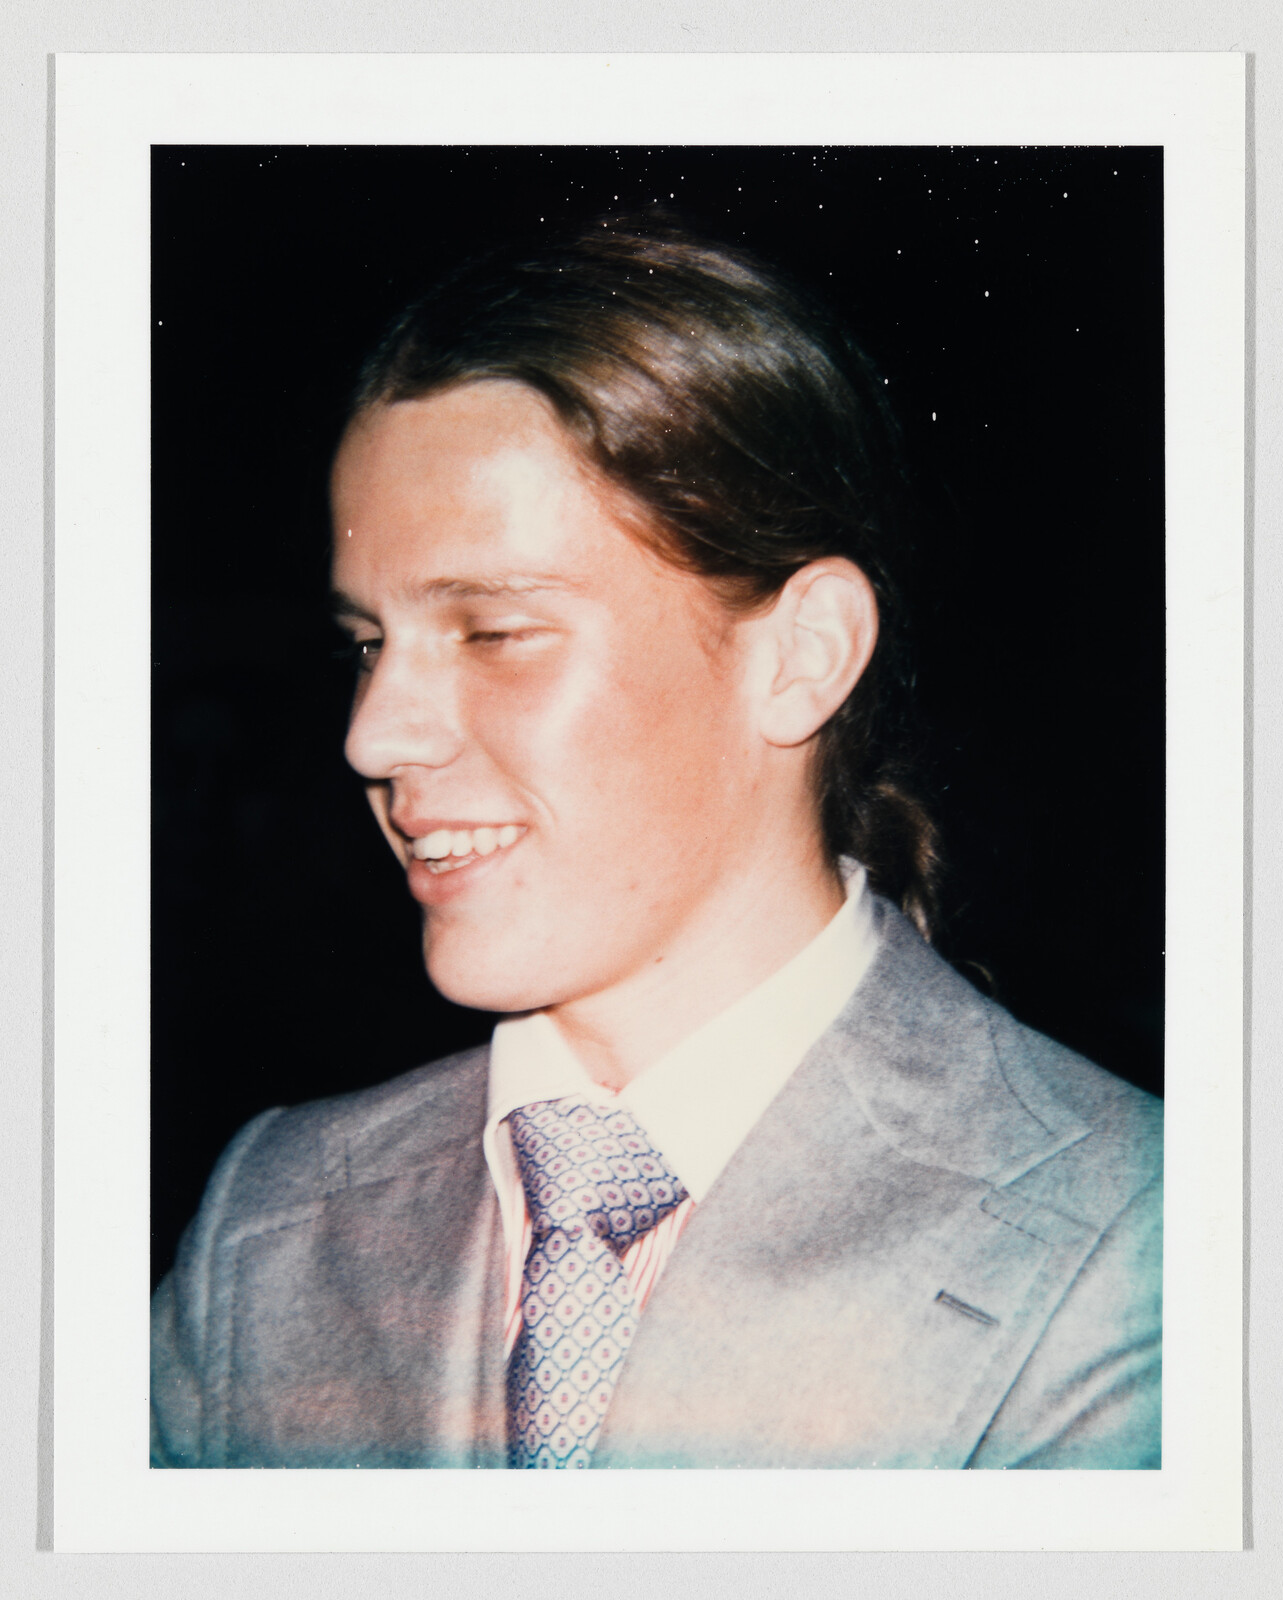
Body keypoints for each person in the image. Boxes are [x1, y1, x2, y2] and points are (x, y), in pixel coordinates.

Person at [150, 216, 1162, 1470]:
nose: (371, 734)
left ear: (799, 656)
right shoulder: (268, 1221)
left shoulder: (1134, 1242)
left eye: (493, 631)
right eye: (368, 643)